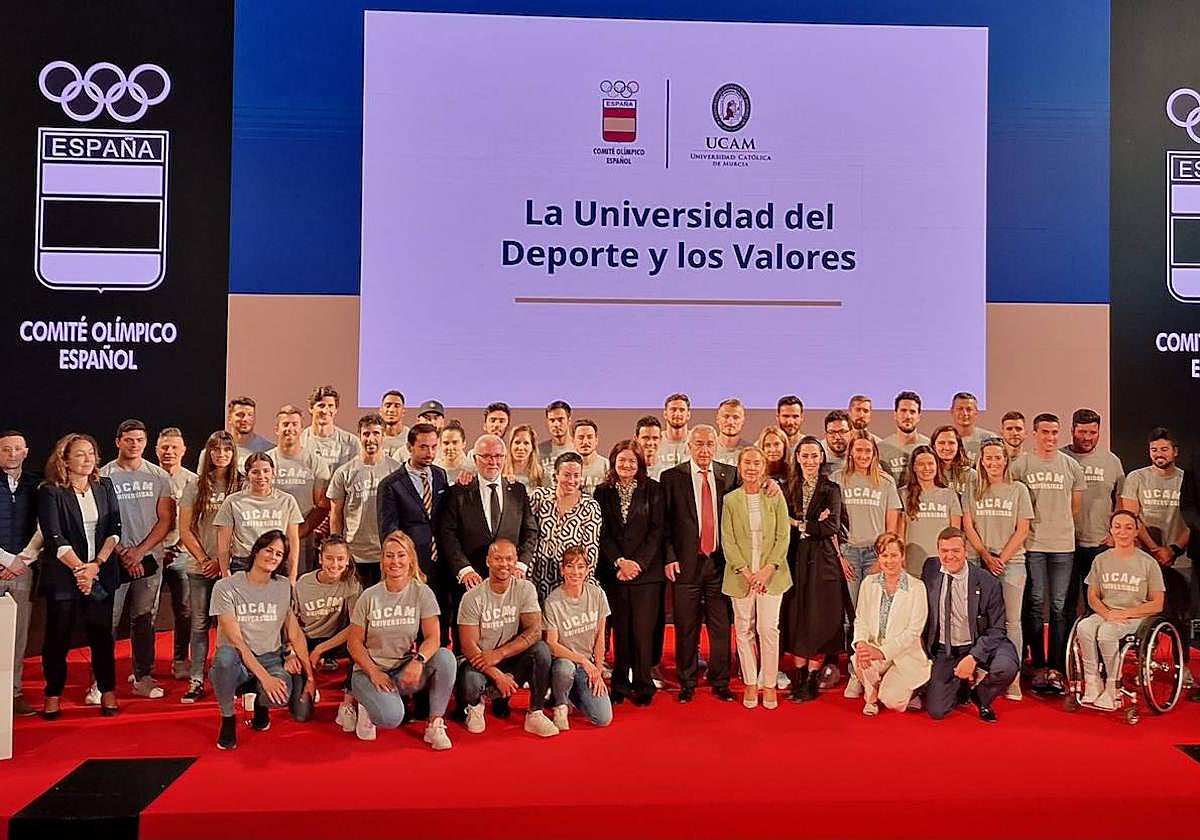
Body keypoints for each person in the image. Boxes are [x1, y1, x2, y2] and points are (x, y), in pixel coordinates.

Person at [37, 433, 122, 718]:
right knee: (58, 638)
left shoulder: (104, 485)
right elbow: (54, 536)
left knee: (102, 636)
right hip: (64, 576)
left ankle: (107, 692)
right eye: (80, 454)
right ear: (65, 459)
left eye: (91, 453)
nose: (88, 459)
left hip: (99, 572)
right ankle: (52, 694)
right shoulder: (51, 491)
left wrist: (95, 566)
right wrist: (80, 570)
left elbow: (114, 529)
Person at [347, 530, 455, 748]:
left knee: (445, 658)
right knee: (391, 718)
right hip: (369, 673)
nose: (394, 561)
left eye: (400, 555)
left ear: (410, 559)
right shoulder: (369, 596)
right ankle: (367, 704)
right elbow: (354, 643)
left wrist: (418, 661)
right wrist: (374, 672)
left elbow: (434, 637)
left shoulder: (422, 593)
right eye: (389, 555)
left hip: (403, 671)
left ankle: (435, 724)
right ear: (382, 560)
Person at [209, 530, 315, 750]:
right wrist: (265, 678)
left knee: (280, 696)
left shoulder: (284, 586)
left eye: (279, 554)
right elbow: (236, 640)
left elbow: (294, 633)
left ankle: (259, 702)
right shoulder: (226, 587)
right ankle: (228, 718)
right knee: (224, 659)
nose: (273, 557)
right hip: (236, 657)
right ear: (256, 550)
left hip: (270, 657)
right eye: (269, 550)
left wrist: (310, 676)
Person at [99, 419, 174, 702]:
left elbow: (166, 519)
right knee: (108, 620)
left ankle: (143, 677)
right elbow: (101, 521)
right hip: (112, 559)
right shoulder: (104, 476)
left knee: (144, 620)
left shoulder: (159, 476)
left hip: (148, 561)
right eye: (129, 440)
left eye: (140, 440)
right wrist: (123, 553)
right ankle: (100, 682)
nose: (134, 445)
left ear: (146, 442)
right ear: (118, 441)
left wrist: (140, 552)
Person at [661, 424, 738, 702]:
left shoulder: (729, 475)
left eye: (709, 444)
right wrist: (669, 557)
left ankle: (720, 681)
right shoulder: (671, 477)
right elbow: (665, 523)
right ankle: (687, 682)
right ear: (689, 446)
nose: (704, 449)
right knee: (686, 627)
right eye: (699, 444)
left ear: (715, 446)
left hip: (719, 565)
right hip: (685, 565)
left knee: (720, 627)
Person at [1011, 413, 1086, 694]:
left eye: (1055, 432)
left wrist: (1060, 527)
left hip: (1063, 546)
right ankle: (1037, 663)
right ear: (1034, 434)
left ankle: (1056, 664)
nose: (1050, 437)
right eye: (1045, 432)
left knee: (1058, 606)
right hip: (1032, 545)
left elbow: (1075, 508)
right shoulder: (1021, 465)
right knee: (1035, 602)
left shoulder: (1071, 466)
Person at [455, 539, 559, 737]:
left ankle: (535, 713)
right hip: (481, 662)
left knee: (542, 650)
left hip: (509, 658)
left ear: (516, 561)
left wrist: (500, 653)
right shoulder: (472, 598)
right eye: (498, 559)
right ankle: (475, 707)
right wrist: (498, 675)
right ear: (488, 561)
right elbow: (468, 646)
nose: (504, 564)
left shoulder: (525, 588)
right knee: (470, 679)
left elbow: (534, 631)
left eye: (509, 559)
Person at [920, 527, 1019, 723]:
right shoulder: (930, 569)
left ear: (966, 551)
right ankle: (962, 686)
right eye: (944, 551)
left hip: (978, 642)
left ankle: (981, 696)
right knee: (937, 711)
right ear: (938, 551)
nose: (949, 556)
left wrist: (974, 657)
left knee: (1006, 666)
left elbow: (998, 628)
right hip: (945, 649)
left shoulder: (987, 581)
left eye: (955, 550)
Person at [437, 434, 537, 622]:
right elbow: (447, 535)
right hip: (471, 582)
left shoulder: (517, 490)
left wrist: (520, 565)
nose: (493, 461)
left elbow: (530, 532)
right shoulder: (458, 491)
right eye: (487, 456)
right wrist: (464, 570)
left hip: (509, 581)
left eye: (498, 456)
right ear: (475, 458)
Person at [962, 438, 1033, 700]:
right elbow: (968, 526)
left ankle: (1011, 677)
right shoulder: (973, 489)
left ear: (1006, 460)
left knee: (1012, 622)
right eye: (988, 458)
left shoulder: (1019, 490)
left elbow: (1022, 529)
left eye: (997, 457)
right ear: (981, 460)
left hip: (1011, 562)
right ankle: (981, 669)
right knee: (979, 620)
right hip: (979, 561)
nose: (993, 462)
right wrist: (985, 555)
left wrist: (1000, 558)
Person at [721, 446, 792, 709]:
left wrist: (767, 570)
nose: (752, 468)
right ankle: (751, 681)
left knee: (768, 629)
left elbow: (783, 536)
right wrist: (747, 572)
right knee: (743, 628)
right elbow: (727, 539)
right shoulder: (730, 500)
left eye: (757, 463)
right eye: (747, 463)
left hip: (771, 575)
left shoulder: (775, 496)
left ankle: (769, 683)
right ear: (740, 467)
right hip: (741, 576)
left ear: (764, 467)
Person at [594, 439, 664, 705]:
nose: (626, 465)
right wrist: (619, 562)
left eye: (632, 461)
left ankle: (644, 685)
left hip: (646, 574)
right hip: (616, 573)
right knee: (621, 630)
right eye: (621, 460)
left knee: (643, 632)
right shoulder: (603, 491)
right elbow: (604, 533)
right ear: (614, 462)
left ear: (640, 464)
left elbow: (657, 531)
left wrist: (638, 564)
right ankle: (621, 685)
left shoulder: (654, 490)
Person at [1076, 510, 1166, 709]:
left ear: (1136, 532)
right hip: (1107, 613)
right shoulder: (1101, 560)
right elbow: (1092, 596)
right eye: (1117, 527)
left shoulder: (1148, 563)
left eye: (1128, 528)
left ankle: (1112, 687)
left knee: (1107, 632)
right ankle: (1092, 682)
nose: (1122, 532)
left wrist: (1124, 614)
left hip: (1135, 616)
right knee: (1084, 627)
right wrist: (1107, 614)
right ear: (1111, 530)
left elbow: (1157, 604)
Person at [177, 431, 243, 703]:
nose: (221, 454)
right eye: (216, 449)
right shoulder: (196, 485)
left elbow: (244, 526)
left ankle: (229, 676)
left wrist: (222, 561)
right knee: (200, 624)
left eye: (227, 450)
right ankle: (196, 679)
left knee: (230, 626)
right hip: (200, 567)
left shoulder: (241, 484)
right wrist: (205, 560)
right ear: (208, 453)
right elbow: (185, 529)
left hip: (231, 566)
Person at [783, 436, 846, 702]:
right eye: (804, 456)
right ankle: (799, 678)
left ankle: (811, 680)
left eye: (814, 456)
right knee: (798, 619)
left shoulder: (831, 489)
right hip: (795, 560)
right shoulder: (787, 489)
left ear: (822, 458)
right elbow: (779, 521)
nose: (809, 461)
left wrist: (799, 524)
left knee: (819, 621)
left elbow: (831, 527)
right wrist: (813, 522)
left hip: (823, 561)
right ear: (797, 458)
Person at [377, 422, 450, 640]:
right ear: (410, 447)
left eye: (433, 447)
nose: (430, 453)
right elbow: (389, 533)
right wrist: (403, 564)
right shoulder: (390, 484)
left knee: (440, 614)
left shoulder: (440, 475)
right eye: (424, 447)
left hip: (441, 561)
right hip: (412, 564)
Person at [851, 532, 930, 715]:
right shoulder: (868, 583)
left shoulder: (917, 587)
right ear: (878, 557)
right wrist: (861, 643)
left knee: (892, 700)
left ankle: (912, 689)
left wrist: (881, 652)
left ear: (902, 557)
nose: (889, 561)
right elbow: (860, 619)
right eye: (884, 555)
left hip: (904, 656)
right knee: (859, 657)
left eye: (894, 555)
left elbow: (913, 632)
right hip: (874, 650)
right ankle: (870, 699)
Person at [293, 534, 362, 729]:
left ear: (347, 560)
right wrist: (302, 655)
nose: (335, 564)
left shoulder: (352, 583)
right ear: (320, 558)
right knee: (301, 715)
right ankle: (307, 683)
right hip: (307, 639)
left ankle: (348, 702)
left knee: (361, 644)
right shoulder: (303, 583)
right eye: (330, 558)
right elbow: (293, 626)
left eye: (340, 559)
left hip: (336, 640)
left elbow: (356, 627)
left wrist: (321, 649)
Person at [1063, 408, 1124, 618]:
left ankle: (1095, 648)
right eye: (1082, 432)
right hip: (1066, 543)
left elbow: (1121, 500)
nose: (1087, 438)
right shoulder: (1060, 458)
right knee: (1066, 603)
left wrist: (1114, 534)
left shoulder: (1112, 461)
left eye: (1093, 433)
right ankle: (1067, 650)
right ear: (1072, 430)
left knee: (1099, 603)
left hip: (1101, 544)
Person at [328, 414, 401, 588]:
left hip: (387, 553)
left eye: (376, 433)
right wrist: (338, 548)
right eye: (366, 434)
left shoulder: (396, 470)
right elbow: (336, 514)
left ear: (383, 436)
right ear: (359, 435)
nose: (371, 439)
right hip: (355, 553)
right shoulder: (344, 472)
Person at [544, 546, 613, 728]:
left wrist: (597, 671)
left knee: (603, 718)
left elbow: (600, 637)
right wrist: (582, 660)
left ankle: (573, 695)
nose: (575, 572)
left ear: (587, 570)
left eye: (580, 567)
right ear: (562, 569)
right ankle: (560, 705)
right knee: (565, 668)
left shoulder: (597, 595)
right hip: (563, 662)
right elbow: (552, 644)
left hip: (587, 667)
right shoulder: (552, 602)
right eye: (570, 566)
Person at [0, 430, 44, 717]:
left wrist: (23, 560)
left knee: (17, 636)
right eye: (6, 449)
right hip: (4, 563)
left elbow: (44, 527)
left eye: (17, 449)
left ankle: (13, 693)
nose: (12, 454)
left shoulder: (36, 485)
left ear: (26, 452)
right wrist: (5, 559)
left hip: (23, 570)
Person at [214, 452, 303, 582]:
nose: (261, 476)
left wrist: (293, 575)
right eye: (255, 472)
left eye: (266, 471)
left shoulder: (287, 501)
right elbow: (223, 543)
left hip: (276, 563)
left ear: (273, 472)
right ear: (247, 475)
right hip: (244, 563)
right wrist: (225, 573)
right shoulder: (233, 501)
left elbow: (293, 542)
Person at [837, 431, 902, 607]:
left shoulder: (886, 482)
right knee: (850, 608)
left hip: (876, 553)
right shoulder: (837, 479)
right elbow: (831, 524)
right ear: (850, 451)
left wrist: (883, 557)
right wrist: (839, 556)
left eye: (868, 451)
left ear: (874, 453)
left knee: (875, 606)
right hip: (848, 552)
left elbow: (891, 528)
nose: (863, 455)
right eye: (859, 450)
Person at [267, 405, 332, 575]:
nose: (290, 429)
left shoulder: (316, 462)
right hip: (268, 538)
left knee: (297, 589)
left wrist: (300, 531)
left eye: (295, 424)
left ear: (301, 429)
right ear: (277, 429)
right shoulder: (267, 461)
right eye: (286, 424)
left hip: (302, 539)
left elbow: (323, 505)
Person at [529, 452, 602, 600]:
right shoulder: (539, 498)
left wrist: (581, 584)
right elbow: (527, 536)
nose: (572, 480)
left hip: (571, 581)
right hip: (538, 579)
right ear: (556, 475)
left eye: (576, 475)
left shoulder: (590, 506)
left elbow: (590, 550)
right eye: (567, 475)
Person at [154, 428, 196, 682]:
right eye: (164, 448)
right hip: (152, 553)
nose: (169, 452)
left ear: (183, 450)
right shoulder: (150, 477)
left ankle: (181, 660)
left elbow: (198, 521)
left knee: (184, 610)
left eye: (174, 448)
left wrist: (180, 546)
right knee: (147, 610)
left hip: (182, 553)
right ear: (156, 450)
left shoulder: (194, 480)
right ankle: (143, 666)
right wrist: (157, 549)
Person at [1121, 428, 1189, 572]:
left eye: (1164, 449)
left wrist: (1172, 550)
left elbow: (1193, 523)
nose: (1159, 454)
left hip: (1181, 559)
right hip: (1145, 558)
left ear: (1175, 451)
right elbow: (1130, 519)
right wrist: (1154, 549)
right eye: (1154, 449)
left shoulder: (1187, 480)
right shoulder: (1136, 478)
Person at [898, 445, 962, 575]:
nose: (926, 468)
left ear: (937, 466)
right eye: (921, 464)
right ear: (914, 468)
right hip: (913, 562)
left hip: (943, 562)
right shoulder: (903, 494)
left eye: (930, 463)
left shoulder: (949, 494)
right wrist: (901, 557)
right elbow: (900, 532)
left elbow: (955, 533)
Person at [300, 384, 360, 474]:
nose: (325, 411)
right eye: (321, 406)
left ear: (336, 410)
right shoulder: (300, 440)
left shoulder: (351, 442)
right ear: (311, 408)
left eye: (330, 406)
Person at [878, 391, 929, 483]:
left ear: (919, 416)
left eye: (912, 412)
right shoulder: (881, 448)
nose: (908, 416)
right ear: (895, 414)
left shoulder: (929, 446)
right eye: (903, 411)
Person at [224, 397, 273, 466]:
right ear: (229, 419)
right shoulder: (218, 449)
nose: (245, 419)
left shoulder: (268, 450)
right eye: (240, 415)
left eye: (250, 415)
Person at [931, 425, 976, 498]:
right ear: (934, 446)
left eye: (951, 443)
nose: (947, 448)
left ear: (958, 446)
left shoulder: (970, 475)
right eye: (941, 443)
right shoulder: (926, 474)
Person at [950, 392, 996, 463]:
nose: (964, 413)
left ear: (976, 413)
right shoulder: (943, 439)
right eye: (960, 409)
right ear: (952, 411)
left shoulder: (990, 439)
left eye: (969, 409)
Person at [503, 424, 548, 490]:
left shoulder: (542, 475)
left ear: (533, 447)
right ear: (510, 445)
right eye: (517, 442)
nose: (521, 447)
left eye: (526, 443)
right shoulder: (500, 471)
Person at [538, 400, 575, 474]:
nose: (556, 424)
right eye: (552, 420)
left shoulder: (578, 448)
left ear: (569, 420)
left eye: (560, 419)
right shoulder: (539, 450)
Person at [572, 419, 608, 495]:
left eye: (589, 437)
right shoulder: (568, 467)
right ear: (573, 441)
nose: (585, 442)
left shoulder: (607, 466)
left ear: (596, 440)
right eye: (581, 437)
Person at [658, 393, 692, 470]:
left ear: (688, 415)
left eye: (682, 410)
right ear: (665, 414)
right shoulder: (656, 441)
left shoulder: (696, 441)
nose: (677, 413)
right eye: (673, 410)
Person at [714, 398, 750, 466]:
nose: (730, 422)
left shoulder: (750, 451)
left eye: (736, 417)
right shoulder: (707, 450)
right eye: (726, 416)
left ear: (743, 421)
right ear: (717, 419)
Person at [379, 390, 409, 461]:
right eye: (388, 405)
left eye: (397, 406)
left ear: (403, 411)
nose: (392, 410)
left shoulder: (411, 437)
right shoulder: (374, 437)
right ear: (380, 410)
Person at [821, 410, 852, 476]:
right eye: (832, 432)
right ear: (826, 435)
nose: (837, 437)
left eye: (842, 431)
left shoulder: (860, 457)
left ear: (851, 433)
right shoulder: (817, 458)